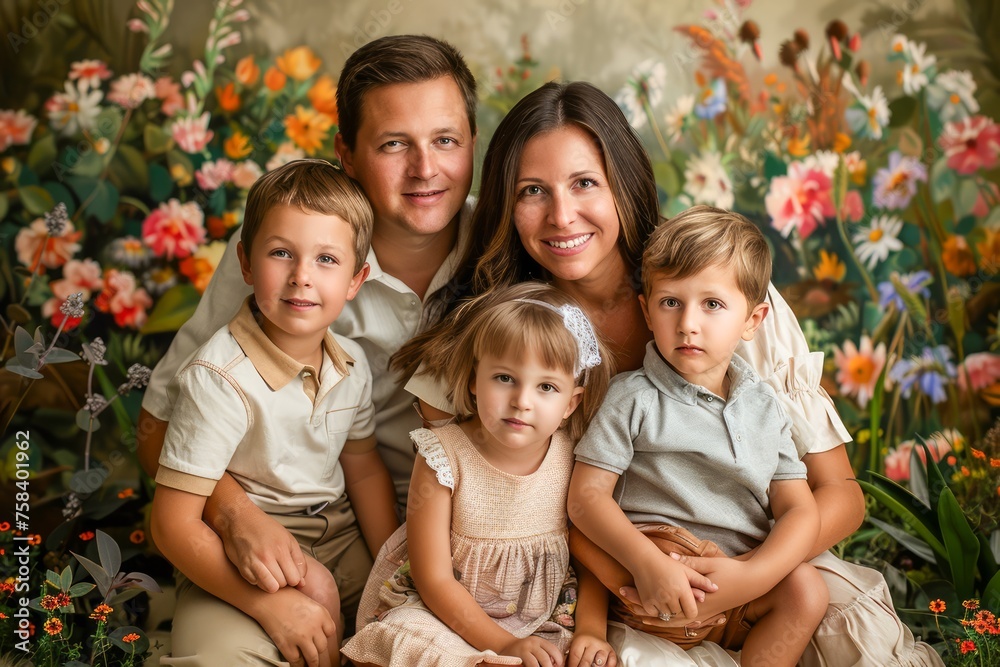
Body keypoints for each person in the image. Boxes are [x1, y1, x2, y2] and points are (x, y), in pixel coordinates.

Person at [396, 81, 943, 667]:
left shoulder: (720, 289)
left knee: (843, 625)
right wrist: (638, 573)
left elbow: (838, 495)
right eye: (533, 191)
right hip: (600, 578)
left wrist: (743, 575)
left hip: (757, 563)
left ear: (624, 186)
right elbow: (483, 498)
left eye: (585, 183)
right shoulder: (500, 334)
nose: (561, 215)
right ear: (506, 203)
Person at [136, 34, 478, 660]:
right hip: (281, 533)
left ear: (473, 144)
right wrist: (238, 517)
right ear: (346, 154)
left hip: (443, 547)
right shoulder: (283, 249)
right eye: (394, 143)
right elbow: (158, 426)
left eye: (446, 140)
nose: (425, 169)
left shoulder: (508, 242)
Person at [150, 159, 388, 667]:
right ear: (246, 263)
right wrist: (271, 605)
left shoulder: (353, 363)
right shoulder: (218, 376)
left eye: (327, 259)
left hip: (343, 545)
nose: (302, 277)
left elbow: (363, 468)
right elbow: (173, 526)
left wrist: (393, 562)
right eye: (282, 253)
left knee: (417, 634)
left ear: (355, 279)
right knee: (221, 656)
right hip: (237, 560)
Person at [569, 206, 829, 666]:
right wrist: (648, 566)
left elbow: (799, 510)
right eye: (671, 302)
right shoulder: (633, 397)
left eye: (712, 304)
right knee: (593, 538)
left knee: (807, 590)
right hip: (645, 585)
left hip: (734, 589)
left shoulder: (765, 406)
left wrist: (753, 578)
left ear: (753, 319)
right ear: (647, 311)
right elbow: (586, 498)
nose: (688, 322)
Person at [343, 283, 622, 667]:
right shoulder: (443, 455)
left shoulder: (573, 453)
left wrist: (591, 628)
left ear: (569, 404)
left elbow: (589, 553)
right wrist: (502, 643)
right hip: (442, 612)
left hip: (539, 618)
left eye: (546, 387)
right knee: (409, 637)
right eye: (504, 378)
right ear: (475, 381)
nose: (522, 401)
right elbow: (433, 579)